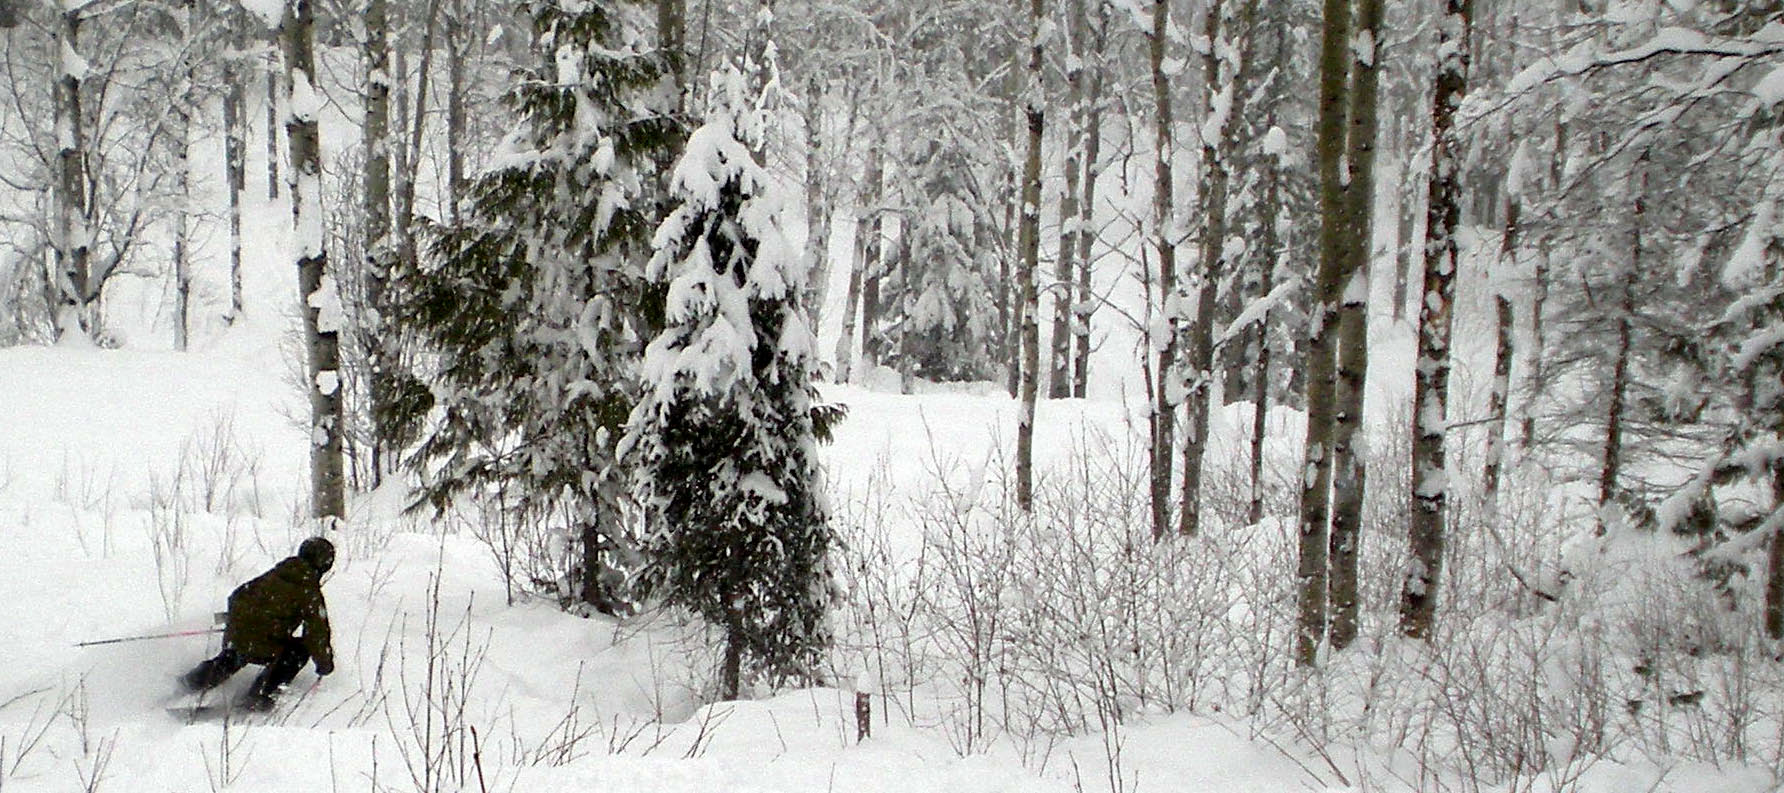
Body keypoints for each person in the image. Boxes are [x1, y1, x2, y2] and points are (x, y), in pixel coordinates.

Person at [180, 537, 337, 711]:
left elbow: (238, 595)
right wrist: (324, 664)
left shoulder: (277, 573)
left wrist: (242, 621)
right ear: (323, 565)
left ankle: (190, 682)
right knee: (299, 650)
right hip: (266, 641)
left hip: (238, 636)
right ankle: (260, 696)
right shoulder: (309, 591)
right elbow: (316, 635)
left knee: (233, 657)